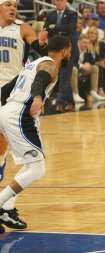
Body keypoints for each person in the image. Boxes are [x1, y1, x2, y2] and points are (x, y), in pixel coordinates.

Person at [0, 35, 71, 234]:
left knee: (33, 165)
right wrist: (37, 98)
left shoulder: (32, 64)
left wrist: (6, 113)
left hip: (9, 112)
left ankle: (6, 208)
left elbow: (5, 90)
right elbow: (40, 81)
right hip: (19, 115)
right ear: (65, 51)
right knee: (37, 170)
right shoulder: (49, 66)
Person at [0, 0, 48, 230]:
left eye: (15, 5)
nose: (13, 8)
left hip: (11, 93)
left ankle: (7, 206)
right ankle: (5, 207)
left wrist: (42, 44)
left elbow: (43, 54)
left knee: (22, 157)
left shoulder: (22, 27)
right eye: (8, 4)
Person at [44, 0, 78, 113]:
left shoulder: (72, 14)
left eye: (62, 0)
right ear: (54, 2)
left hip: (68, 49)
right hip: (55, 49)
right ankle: (70, 102)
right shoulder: (50, 14)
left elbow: (70, 28)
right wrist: (59, 28)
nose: (59, 2)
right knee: (62, 76)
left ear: (65, 2)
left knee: (64, 75)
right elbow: (46, 28)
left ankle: (60, 103)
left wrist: (56, 27)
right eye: (57, 0)